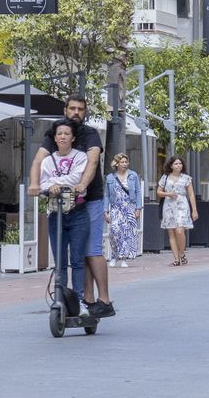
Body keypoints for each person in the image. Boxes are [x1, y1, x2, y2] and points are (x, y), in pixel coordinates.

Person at [29, 95, 114, 317]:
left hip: (91, 198)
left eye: (81, 109)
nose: (76, 112)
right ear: (65, 109)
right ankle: (85, 299)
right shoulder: (55, 132)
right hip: (64, 203)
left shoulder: (90, 134)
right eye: (72, 108)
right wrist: (34, 183)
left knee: (91, 250)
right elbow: (39, 160)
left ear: (85, 113)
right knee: (75, 253)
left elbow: (93, 160)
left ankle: (104, 300)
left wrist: (82, 185)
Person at [39, 124, 88, 307]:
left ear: (73, 137)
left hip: (77, 212)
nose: (63, 137)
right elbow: (41, 183)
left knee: (77, 259)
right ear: (54, 138)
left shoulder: (80, 157)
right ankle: (61, 298)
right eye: (59, 134)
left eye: (67, 134)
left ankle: (79, 300)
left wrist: (54, 184)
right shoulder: (47, 161)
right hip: (55, 213)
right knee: (59, 260)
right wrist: (49, 186)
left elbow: (77, 178)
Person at [105, 153, 144, 269]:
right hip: (116, 208)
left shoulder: (133, 175)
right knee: (114, 231)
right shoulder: (110, 178)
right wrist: (105, 210)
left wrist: (138, 208)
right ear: (116, 164)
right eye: (122, 162)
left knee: (127, 233)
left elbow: (138, 192)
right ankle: (115, 254)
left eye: (126, 162)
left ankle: (123, 258)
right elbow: (106, 195)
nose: (124, 164)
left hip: (129, 207)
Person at [157, 154, 197, 265]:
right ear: (171, 166)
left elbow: (191, 194)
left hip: (182, 204)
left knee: (180, 230)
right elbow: (159, 192)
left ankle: (182, 253)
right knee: (171, 232)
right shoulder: (165, 177)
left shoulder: (186, 178)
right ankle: (176, 259)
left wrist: (194, 210)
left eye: (180, 163)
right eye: (176, 163)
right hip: (169, 205)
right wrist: (168, 194)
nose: (178, 165)